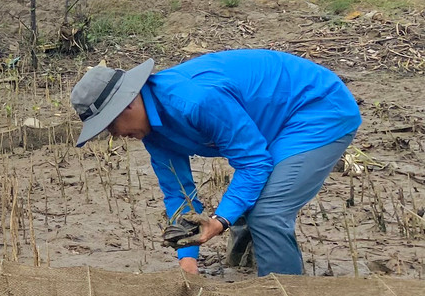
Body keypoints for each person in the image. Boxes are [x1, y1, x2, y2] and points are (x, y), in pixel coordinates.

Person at [70, 49, 361, 276]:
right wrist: (188, 262)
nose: (117, 135)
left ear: (129, 103)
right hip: (271, 125)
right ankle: (247, 271)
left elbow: (254, 163)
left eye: (111, 125)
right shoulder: (152, 133)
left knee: (267, 212)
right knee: (245, 203)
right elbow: (180, 195)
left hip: (317, 108)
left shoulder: (195, 101)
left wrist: (220, 221)